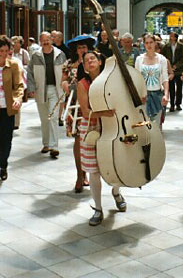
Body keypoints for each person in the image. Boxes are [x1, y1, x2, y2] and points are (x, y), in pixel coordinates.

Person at [77, 50, 127, 225]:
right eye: (86, 60)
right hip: (92, 127)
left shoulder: (110, 80)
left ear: (99, 62)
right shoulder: (83, 84)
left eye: (93, 59)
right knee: (94, 170)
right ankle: (98, 208)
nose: (90, 62)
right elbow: (85, 112)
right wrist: (104, 113)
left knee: (116, 163)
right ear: (84, 66)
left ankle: (116, 191)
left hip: (112, 125)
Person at [62, 35, 96, 192]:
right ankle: (79, 175)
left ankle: (89, 173)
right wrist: (65, 85)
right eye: (80, 47)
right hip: (74, 105)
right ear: (75, 49)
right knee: (77, 139)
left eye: (85, 47)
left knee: (89, 138)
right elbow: (63, 81)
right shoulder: (68, 64)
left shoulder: (92, 62)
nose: (83, 50)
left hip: (90, 104)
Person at [27, 32, 66, 158]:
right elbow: (30, 72)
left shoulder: (60, 54)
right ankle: (46, 144)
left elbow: (66, 70)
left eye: (48, 39)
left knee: (53, 117)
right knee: (44, 119)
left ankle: (54, 146)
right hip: (40, 90)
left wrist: (65, 84)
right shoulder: (35, 55)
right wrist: (31, 88)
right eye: (43, 40)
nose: (46, 42)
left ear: (52, 40)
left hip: (55, 89)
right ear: (40, 41)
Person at [0, 35, 24, 181]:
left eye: (5, 51)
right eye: (0, 51)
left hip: (7, 108)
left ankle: (3, 165)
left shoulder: (14, 65)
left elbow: (19, 85)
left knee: (6, 138)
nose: (3, 54)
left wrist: (17, 99)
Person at [135, 34, 169, 124]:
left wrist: (166, 94)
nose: (149, 45)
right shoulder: (139, 59)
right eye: (146, 43)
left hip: (157, 94)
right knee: (144, 124)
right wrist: (138, 95)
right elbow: (137, 79)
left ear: (155, 43)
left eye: (151, 42)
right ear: (144, 44)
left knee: (157, 124)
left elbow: (165, 78)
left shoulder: (162, 59)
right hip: (144, 96)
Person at [162, 32, 183, 112]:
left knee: (179, 88)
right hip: (169, 70)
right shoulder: (166, 47)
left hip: (178, 70)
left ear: (175, 38)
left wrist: (176, 66)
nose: (170, 37)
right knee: (171, 88)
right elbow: (163, 56)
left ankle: (178, 104)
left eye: (172, 36)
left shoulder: (181, 47)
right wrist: (169, 66)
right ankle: (172, 104)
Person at [11, 36, 29, 129]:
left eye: (17, 42)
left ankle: (16, 123)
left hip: (20, 77)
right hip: (10, 78)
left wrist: (22, 67)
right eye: (13, 42)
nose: (15, 44)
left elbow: (28, 65)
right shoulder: (10, 53)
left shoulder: (24, 53)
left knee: (17, 99)